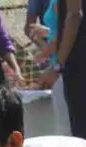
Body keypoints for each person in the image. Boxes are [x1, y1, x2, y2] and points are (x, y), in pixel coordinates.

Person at [39, 0, 86, 147]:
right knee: (80, 137)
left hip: (82, 61)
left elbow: (75, 14)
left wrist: (57, 65)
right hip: (77, 61)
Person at [28, 0, 71, 135]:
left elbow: (63, 34)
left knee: (65, 127)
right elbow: (57, 31)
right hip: (57, 66)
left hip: (65, 68)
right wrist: (46, 32)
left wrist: (42, 55)